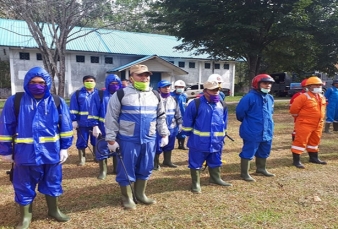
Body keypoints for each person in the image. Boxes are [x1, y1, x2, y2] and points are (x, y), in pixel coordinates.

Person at [0, 67, 73, 228]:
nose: (37, 85)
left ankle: (54, 210)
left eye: (41, 82)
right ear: (26, 82)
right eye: (32, 82)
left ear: (47, 83)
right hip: (25, 154)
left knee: (52, 182)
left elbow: (66, 126)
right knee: (23, 184)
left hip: (51, 153)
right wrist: (5, 150)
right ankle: (26, 217)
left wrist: (64, 148)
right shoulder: (15, 101)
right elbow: (6, 126)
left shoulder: (57, 101)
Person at [105, 64, 169, 210]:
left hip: (149, 138)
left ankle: (140, 194)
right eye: (140, 75)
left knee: (146, 166)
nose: (144, 77)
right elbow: (111, 117)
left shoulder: (155, 95)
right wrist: (111, 139)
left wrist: (164, 134)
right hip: (128, 139)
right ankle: (127, 197)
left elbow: (161, 117)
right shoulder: (121, 94)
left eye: (146, 75)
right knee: (126, 169)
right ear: (131, 77)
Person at [182, 80, 232, 194]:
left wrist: (222, 136)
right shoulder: (195, 104)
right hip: (199, 141)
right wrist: (189, 136)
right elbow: (187, 121)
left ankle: (215, 178)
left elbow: (224, 122)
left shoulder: (222, 104)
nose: (215, 92)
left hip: (216, 142)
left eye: (217, 90)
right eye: (212, 90)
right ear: (205, 91)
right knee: (195, 162)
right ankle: (195, 183)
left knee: (215, 160)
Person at [236, 74, 275, 182]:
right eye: (265, 83)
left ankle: (261, 168)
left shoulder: (270, 98)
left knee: (264, 149)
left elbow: (270, 113)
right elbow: (240, 113)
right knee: (249, 151)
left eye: (269, 83)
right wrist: (250, 123)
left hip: (266, 130)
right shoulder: (249, 97)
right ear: (257, 84)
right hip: (252, 130)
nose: (268, 85)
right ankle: (244, 173)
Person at [290, 76, 327, 168]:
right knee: (300, 141)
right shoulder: (303, 97)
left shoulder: (321, 96)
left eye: (320, 85)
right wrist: (302, 118)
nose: (319, 87)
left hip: (318, 123)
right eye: (316, 85)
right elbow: (293, 110)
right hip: (305, 123)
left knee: (315, 141)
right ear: (309, 86)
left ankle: (313, 158)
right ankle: (296, 161)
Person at [92, 74, 122, 179]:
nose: (114, 85)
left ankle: (116, 169)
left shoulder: (122, 95)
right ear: (107, 84)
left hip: (119, 128)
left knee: (118, 148)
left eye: (116, 83)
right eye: (112, 84)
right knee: (102, 148)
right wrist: (95, 125)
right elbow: (93, 111)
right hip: (103, 127)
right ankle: (103, 170)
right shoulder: (99, 95)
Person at [69, 75, 102, 166]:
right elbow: (73, 108)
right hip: (82, 122)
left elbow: (102, 109)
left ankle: (96, 156)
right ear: (83, 82)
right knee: (82, 140)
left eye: (91, 81)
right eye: (87, 81)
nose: (89, 82)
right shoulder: (78, 94)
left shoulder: (99, 94)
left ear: (95, 82)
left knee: (96, 140)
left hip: (96, 123)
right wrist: (74, 120)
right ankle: (82, 158)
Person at [154, 80, 182, 170]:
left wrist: (180, 123)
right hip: (159, 127)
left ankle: (167, 160)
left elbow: (177, 113)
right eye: (164, 87)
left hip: (171, 126)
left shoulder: (173, 99)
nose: (167, 89)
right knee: (158, 145)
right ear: (159, 89)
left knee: (170, 144)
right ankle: (155, 163)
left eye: (168, 87)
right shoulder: (156, 99)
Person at [171, 80, 188, 150]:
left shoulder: (184, 96)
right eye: (179, 87)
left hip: (183, 116)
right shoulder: (171, 95)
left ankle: (181, 145)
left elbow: (185, 105)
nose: (180, 88)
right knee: (173, 131)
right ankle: (170, 145)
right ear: (175, 87)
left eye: (182, 87)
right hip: (173, 116)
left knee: (182, 131)